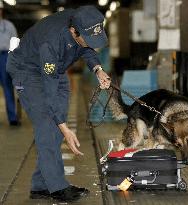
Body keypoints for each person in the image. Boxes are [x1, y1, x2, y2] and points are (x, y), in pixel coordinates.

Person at [6, 5, 111, 202]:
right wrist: (64, 128)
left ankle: (40, 185)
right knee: (48, 124)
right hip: (28, 71)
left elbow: (85, 49)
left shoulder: (81, 22)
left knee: (54, 127)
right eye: (88, 40)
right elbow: (49, 90)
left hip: (56, 69)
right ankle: (57, 187)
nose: (91, 44)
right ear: (73, 31)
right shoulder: (50, 42)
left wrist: (98, 70)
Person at [0, 1, 20, 126]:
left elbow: (15, 43)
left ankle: (12, 117)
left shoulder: (9, 25)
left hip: (5, 57)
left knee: (8, 87)